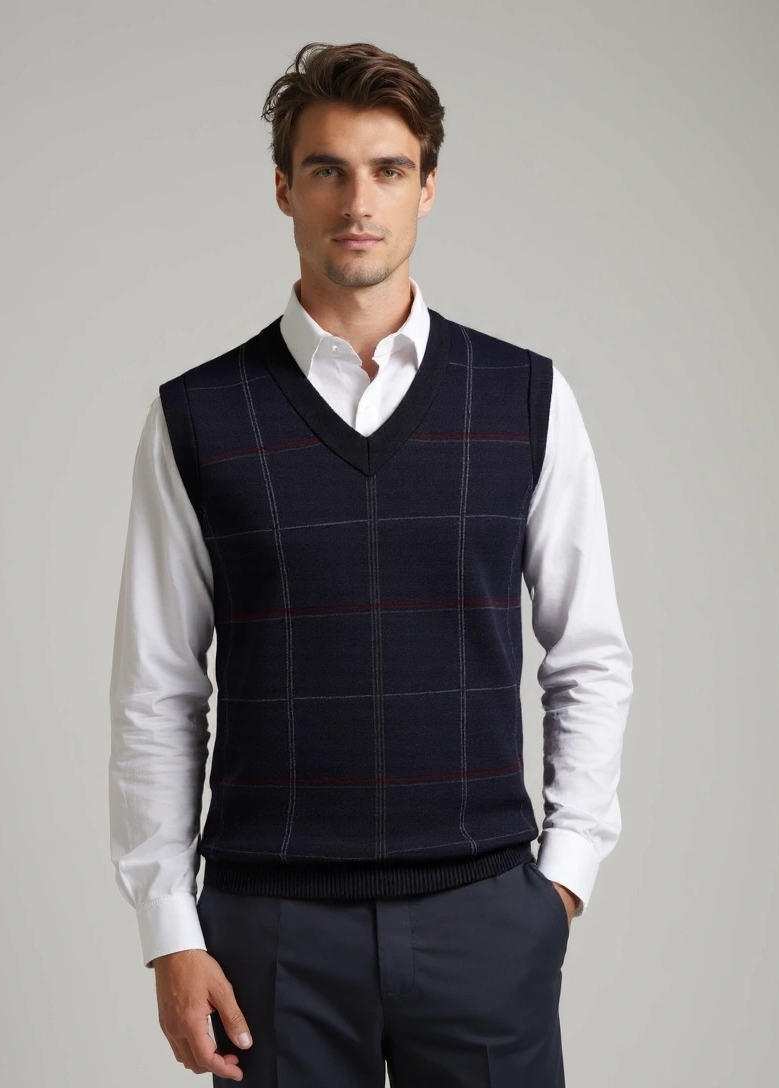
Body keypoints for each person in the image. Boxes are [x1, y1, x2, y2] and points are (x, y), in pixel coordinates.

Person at [109, 40, 633, 1087]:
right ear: (283, 188)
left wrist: (562, 881)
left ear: (427, 187)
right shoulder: (198, 418)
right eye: (328, 170)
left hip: (484, 918)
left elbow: (588, 655)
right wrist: (170, 929)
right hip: (271, 932)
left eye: (388, 170)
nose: (358, 201)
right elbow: (158, 690)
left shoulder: (525, 399)